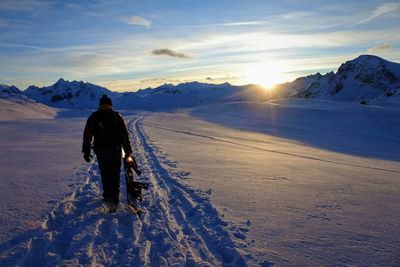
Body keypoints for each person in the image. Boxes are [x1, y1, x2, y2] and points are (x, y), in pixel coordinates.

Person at [82, 94, 133, 210]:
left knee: (105, 173)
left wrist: (86, 150)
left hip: (101, 150)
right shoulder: (117, 116)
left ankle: (107, 196)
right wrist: (127, 151)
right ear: (111, 105)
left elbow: (87, 135)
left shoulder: (94, 117)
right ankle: (114, 197)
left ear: (100, 105)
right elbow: (124, 135)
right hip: (115, 150)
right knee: (115, 174)